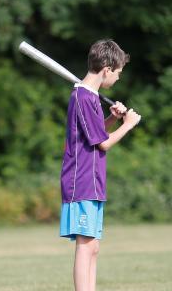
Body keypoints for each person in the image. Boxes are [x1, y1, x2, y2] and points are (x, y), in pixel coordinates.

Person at [59, 40, 141, 291]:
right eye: (117, 73)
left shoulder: (90, 98)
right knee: (85, 246)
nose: (117, 79)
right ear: (106, 69)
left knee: (93, 246)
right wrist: (127, 125)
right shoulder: (82, 96)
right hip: (81, 180)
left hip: (94, 180)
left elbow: (94, 135)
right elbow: (103, 144)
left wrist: (112, 119)